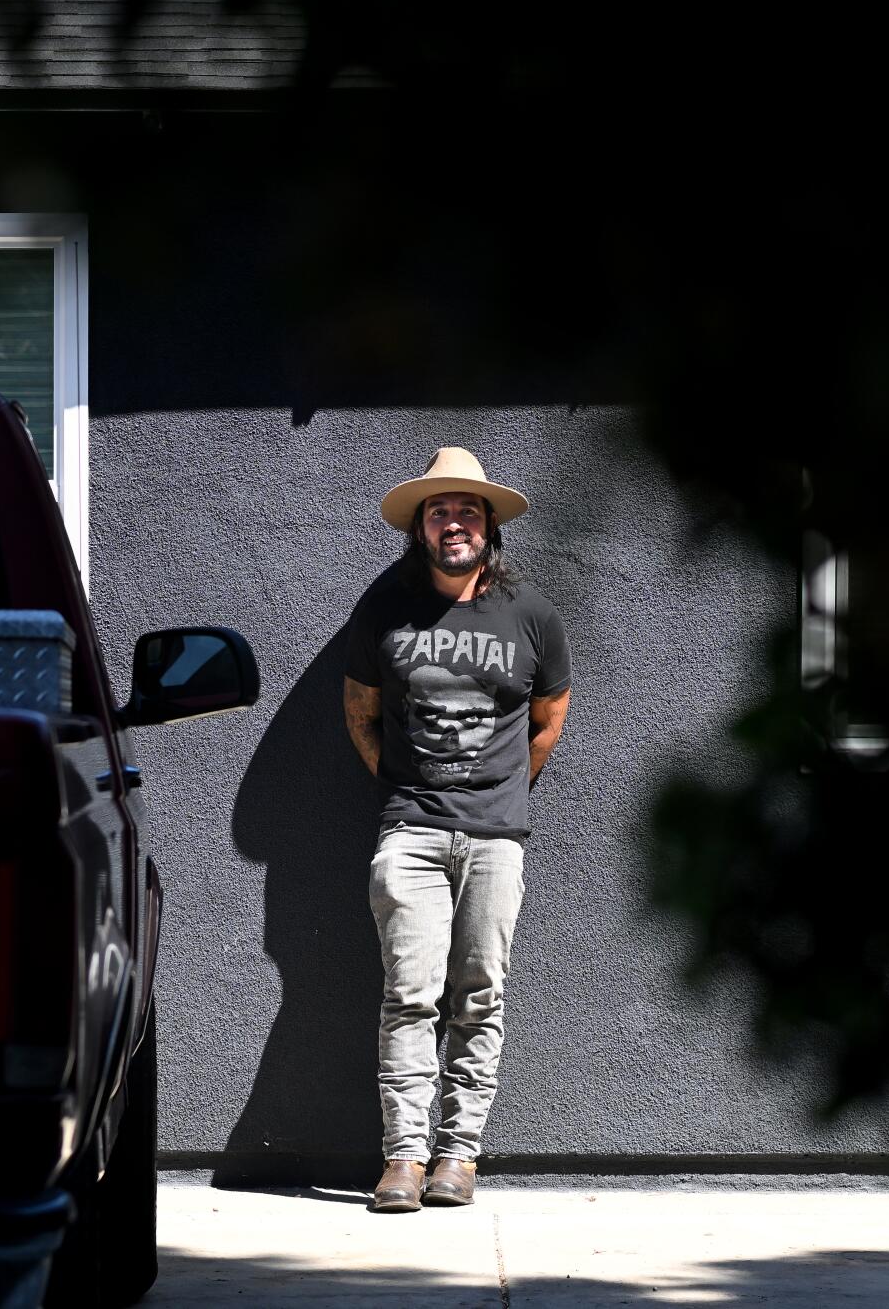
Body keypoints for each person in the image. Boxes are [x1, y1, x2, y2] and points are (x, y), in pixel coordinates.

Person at [342, 447, 572, 1213]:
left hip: (497, 836)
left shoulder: (530, 613)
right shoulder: (384, 608)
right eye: (439, 510)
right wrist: (402, 785)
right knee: (409, 996)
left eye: (467, 510)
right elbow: (360, 711)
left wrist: (505, 790)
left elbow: (549, 717)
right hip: (409, 830)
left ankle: (458, 1157)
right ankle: (403, 1159)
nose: (454, 522)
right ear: (419, 528)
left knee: (479, 995)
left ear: (489, 526)